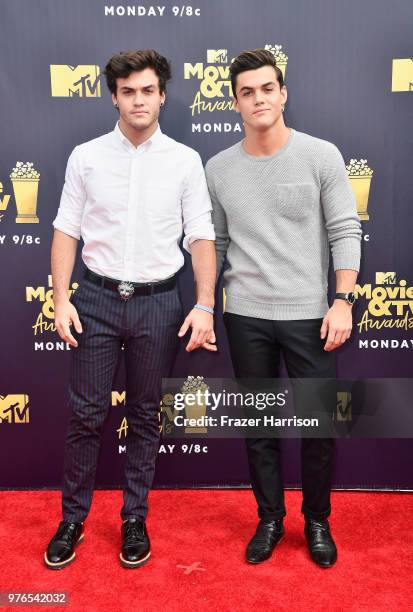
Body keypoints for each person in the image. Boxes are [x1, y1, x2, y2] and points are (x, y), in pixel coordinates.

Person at [45, 49, 216, 570]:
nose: (138, 100)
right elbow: (66, 230)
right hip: (95, 300)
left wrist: (205, 303)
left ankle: (134, 517)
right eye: (128, 91)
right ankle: (72, 519)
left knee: (145, 416)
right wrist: (60, 298)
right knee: (85, 416)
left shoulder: (185, 160)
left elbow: (202, 236)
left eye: (147, 90)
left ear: (162, 94)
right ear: (113, 96)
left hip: (160, 302)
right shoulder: (86, 156)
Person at [205, 49, 361, 568]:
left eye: (267, 88)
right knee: (259, 428)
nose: (258, 99)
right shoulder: (218, 168)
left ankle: (316, 520)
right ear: (234, 103)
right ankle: (270, 518)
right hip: (245, 315)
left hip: (312, 315)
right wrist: (206, 304)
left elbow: (344, 229)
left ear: (283, 93)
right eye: (246, 92)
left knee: (321, 427)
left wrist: (342, 299)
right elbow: (217, 242)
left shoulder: (321, 155)